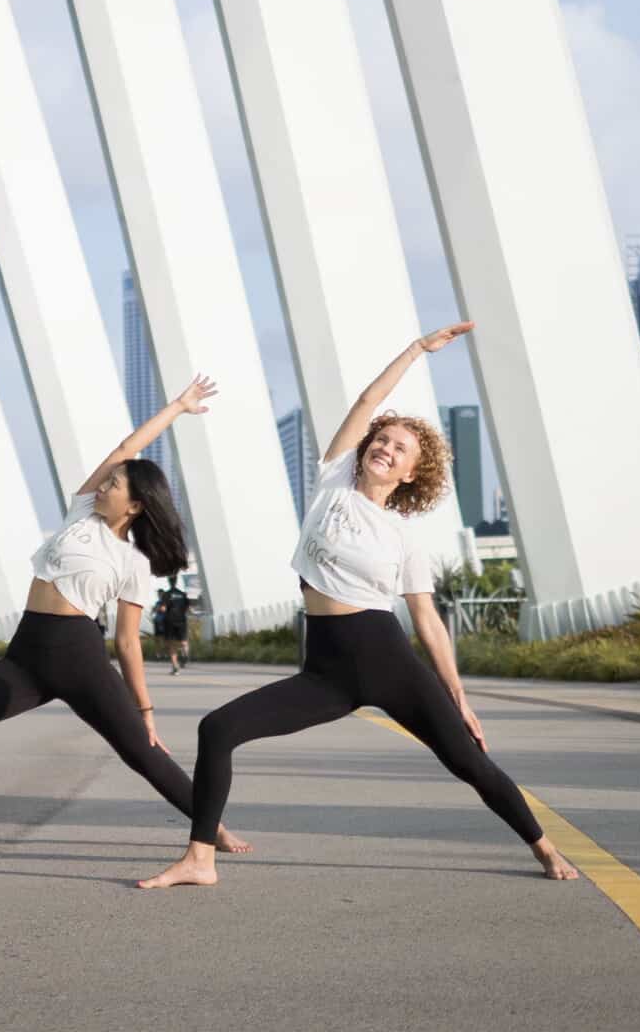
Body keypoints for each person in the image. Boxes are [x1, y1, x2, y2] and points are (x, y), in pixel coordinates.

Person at [137, 325, 579, 889]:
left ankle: (543, 846)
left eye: (400, 448)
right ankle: (200, 859)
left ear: (410, 473)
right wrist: (417, 350)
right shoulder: (334, 481)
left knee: (467, 761)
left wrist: (458, 695)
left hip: (385, 660)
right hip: (326, 671)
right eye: (383, 439)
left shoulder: (401, 537)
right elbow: (367, 401)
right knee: (218, 728)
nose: (386, 448)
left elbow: (427, 621)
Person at [0, 376, 251, 861]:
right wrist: (176, 407)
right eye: (107, 480)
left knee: (142, 754)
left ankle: (211, 827)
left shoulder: (131, 563)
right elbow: (124, 447)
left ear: (134, 506)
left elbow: (128, 642)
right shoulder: (80, 514)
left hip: (80, 659)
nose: (105, 485)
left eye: (115, 485)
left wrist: (145, 709)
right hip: (25, 657)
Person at [161, 576, 191, 674]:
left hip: (170, 621)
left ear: (169, 582)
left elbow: (163, 608)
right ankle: (186, 654)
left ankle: (175, 667)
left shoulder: (167, 594)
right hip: (181, 620)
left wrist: (159, 610)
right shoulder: (182, 594)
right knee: (184, 641)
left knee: (172, 645)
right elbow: (188, 608)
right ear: (176, 581)